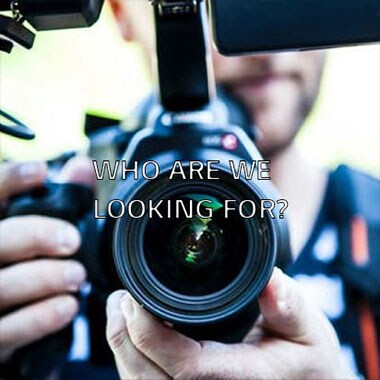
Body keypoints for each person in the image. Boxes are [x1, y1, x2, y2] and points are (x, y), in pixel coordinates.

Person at [0, 1, 378, 379]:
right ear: (119, 12)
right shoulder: (36, 241)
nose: (263, 47)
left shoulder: (371, 236)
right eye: (214, 6)